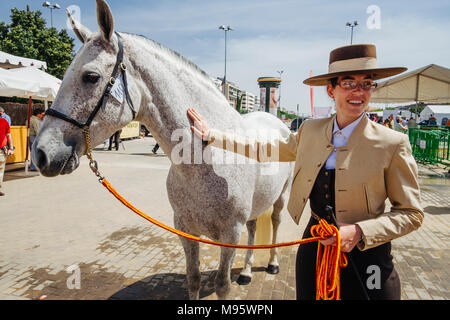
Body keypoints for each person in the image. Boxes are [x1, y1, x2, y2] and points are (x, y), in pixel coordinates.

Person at [187, 44, 423, 300]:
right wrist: (213, 136)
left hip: (369, 260)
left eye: (367, 84)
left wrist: (359, 232)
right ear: (331, 90)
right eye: (349, 83)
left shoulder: (393, 143)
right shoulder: (310, 130)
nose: (359, 91)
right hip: (314, 248)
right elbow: (263, 149)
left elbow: (412, 214)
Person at [0, 116, 14, 196]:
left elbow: (8, 135)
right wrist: (11, 148)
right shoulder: (3, 121)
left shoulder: (3, 121)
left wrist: (11, 148)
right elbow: (8, 135)